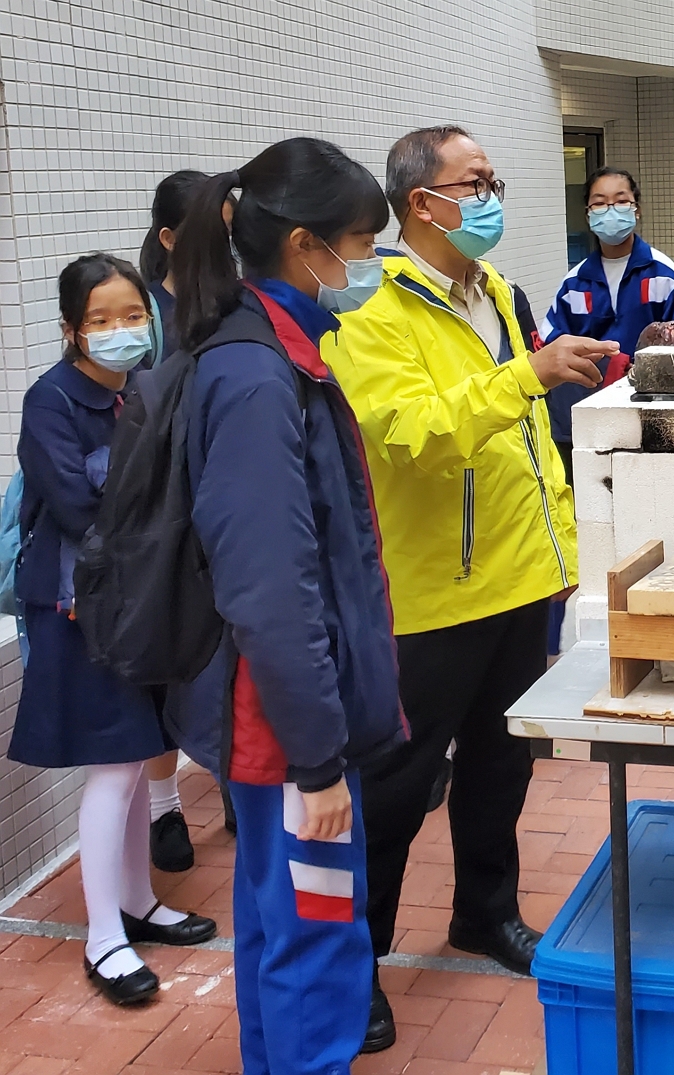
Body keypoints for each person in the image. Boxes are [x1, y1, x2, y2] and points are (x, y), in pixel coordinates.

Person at [320, 125, 615, 1052]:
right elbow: (408, 433)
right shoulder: (371, 309)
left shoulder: (496, 292)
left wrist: (563, 551)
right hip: (431, 596)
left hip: (519, 582)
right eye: (474, 181)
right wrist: (523, 375)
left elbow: (528, 443)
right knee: (395, 790)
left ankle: (485, 911)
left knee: (501, 765)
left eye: (493, 180)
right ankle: (355, 965)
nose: (491, 196)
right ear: (422, 203)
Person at [166, 138, 408, 1073]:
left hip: (283, 709)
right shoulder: (259, 375)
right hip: (283, 722)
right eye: (362, 242)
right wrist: (316, 762)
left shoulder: (269, 351)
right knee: (316, 936)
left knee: (283, 925)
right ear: (305, 245)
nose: (369, 263)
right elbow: (270, 588)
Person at [9, 253, 217, 1006]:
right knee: (116, 766)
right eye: (100, 320)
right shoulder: (49, 401)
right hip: (80, 612)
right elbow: (78, 508)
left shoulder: (144, 389)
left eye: (132, 315)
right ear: (72, 329)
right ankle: (104, 937)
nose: (120, 330)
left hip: (140, 604)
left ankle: (137, 901)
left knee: (134, 759)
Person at [137, 168, 211, 869]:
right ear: (168, 238)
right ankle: (165, 809)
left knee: (230, 657)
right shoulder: (144, 316)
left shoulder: (234, 306)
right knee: (162, 671)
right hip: (162, 520)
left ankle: (236, 781)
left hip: (221, 509)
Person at [541, 166, 674, 485]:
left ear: (636, 209)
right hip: (586, 419)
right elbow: (550, 347)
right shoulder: (574, 283)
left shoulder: (662, 274)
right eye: (599, 203)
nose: (610, 210)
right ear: (588, 214)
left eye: (621, 201)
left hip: (649, 415)